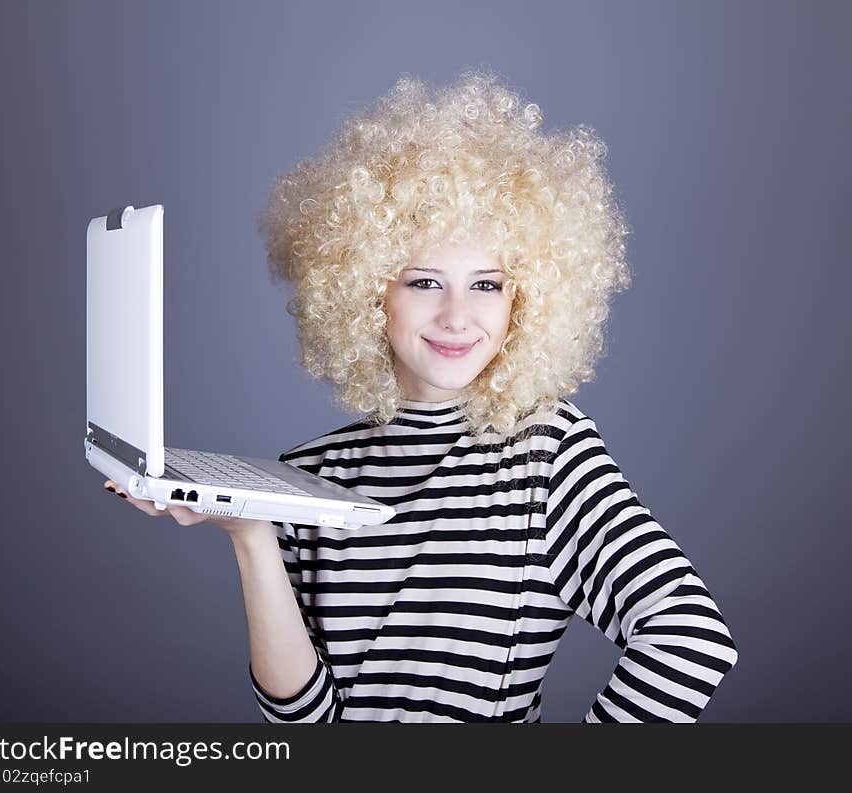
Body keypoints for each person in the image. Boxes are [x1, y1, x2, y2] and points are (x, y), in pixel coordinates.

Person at [104, 70, 738, 722]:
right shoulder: (308, 476)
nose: (458, 316)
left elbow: (689, 635)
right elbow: (305, 721)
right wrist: (251, 532)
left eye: (487, 285)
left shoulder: (546, 454)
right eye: (426, 282)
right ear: (366, 290)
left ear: (525, 297)